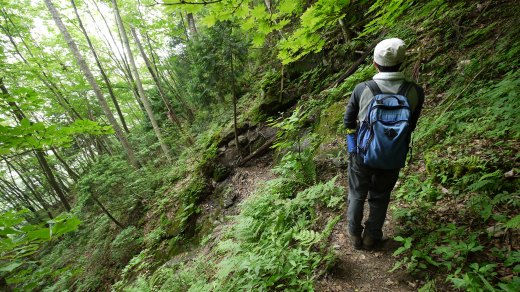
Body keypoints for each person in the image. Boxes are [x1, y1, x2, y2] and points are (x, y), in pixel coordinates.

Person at [343, 38, 424, 250]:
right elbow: (411, 124)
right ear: (402, 62)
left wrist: (353, 147)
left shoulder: (363, 89)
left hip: (363, 152)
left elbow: (348, 122)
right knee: (380, 196)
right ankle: (372, 237)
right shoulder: (415, 92)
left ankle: (354, 235)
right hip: (394, 154)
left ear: (374, 63)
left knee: (357, 193)